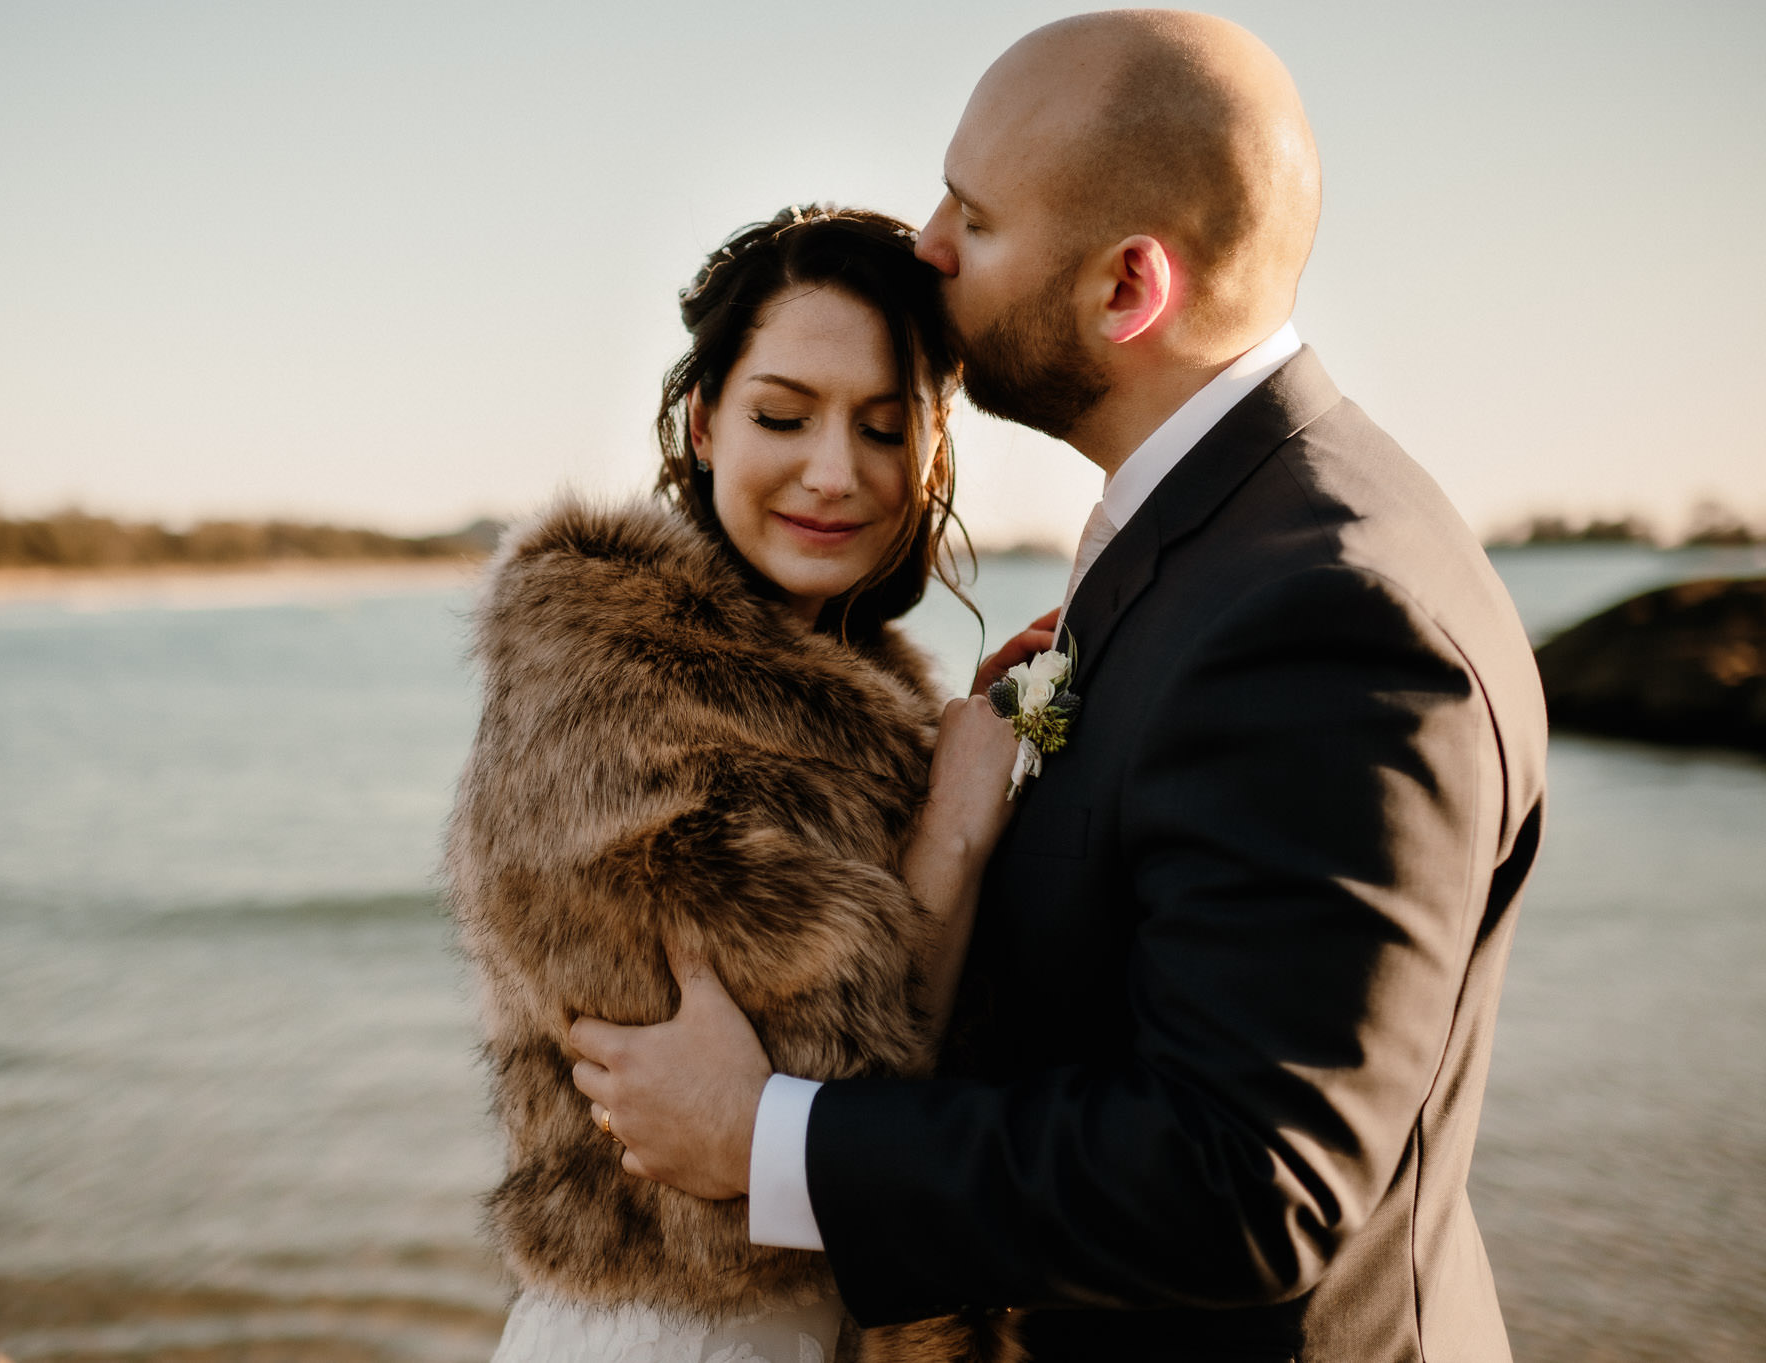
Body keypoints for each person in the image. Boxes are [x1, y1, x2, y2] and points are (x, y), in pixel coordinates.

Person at [569, 12, 1549, 1363]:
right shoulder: (1215, 529)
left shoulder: (1323, 607)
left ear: (1126, 288)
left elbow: (1246, 1182)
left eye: (973, 215)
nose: (925, 242)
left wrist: (770, 1136)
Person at [443, 205, 1033, 1363]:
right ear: (705, 421)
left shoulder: (864, 694)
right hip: (682, 1334)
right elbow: (817, 1089)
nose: (833, 473)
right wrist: (954, 836)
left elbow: (821, 1116)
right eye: (781, 415)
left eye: (881, 426)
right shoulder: (606, 680)